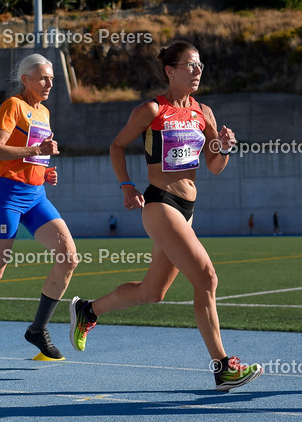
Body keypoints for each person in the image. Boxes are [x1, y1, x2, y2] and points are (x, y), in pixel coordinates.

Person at [66, 40, 262, 391]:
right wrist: (126, 185)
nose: (197, 71)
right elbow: (116, 145)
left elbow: (215, 167)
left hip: (187, 211)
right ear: (170, 70)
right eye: (190, 65)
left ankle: (89, 310)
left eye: (200, 65)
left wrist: (224, 147)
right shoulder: (152, 111)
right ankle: (223, 366)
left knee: (152, 292)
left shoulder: (205, 113)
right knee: (207, 278)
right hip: (160, 204)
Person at [0, 53, 80, 367]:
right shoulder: (13, 106)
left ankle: (38, 329)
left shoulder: (44, 112)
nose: (49, 83)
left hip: (36, 196)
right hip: (6, 196)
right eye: (43, 78)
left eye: (52, 78)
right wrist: (37, 150)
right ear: (26, 80)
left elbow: (32, 158)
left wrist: (44, 170)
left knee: (68, 257)